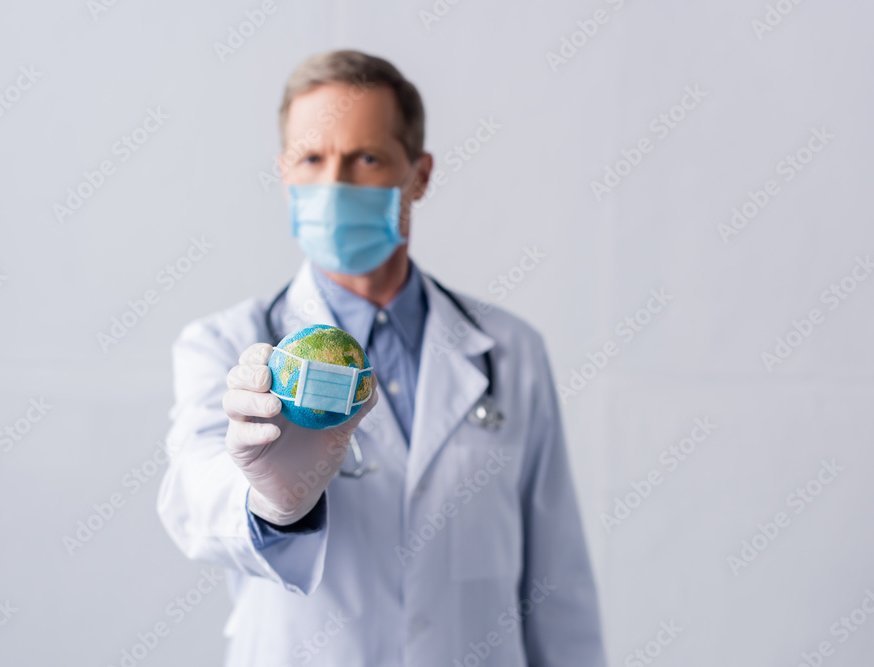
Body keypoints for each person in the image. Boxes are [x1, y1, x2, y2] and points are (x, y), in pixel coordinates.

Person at [156, 49, 606, 666]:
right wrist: (275, 502)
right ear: (285, 173)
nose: (335, 183)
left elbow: (558, 583)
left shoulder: (512, 353)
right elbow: (193, 497)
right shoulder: (226, 342)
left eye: (365, 158)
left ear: (417, 175)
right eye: (312, 159)